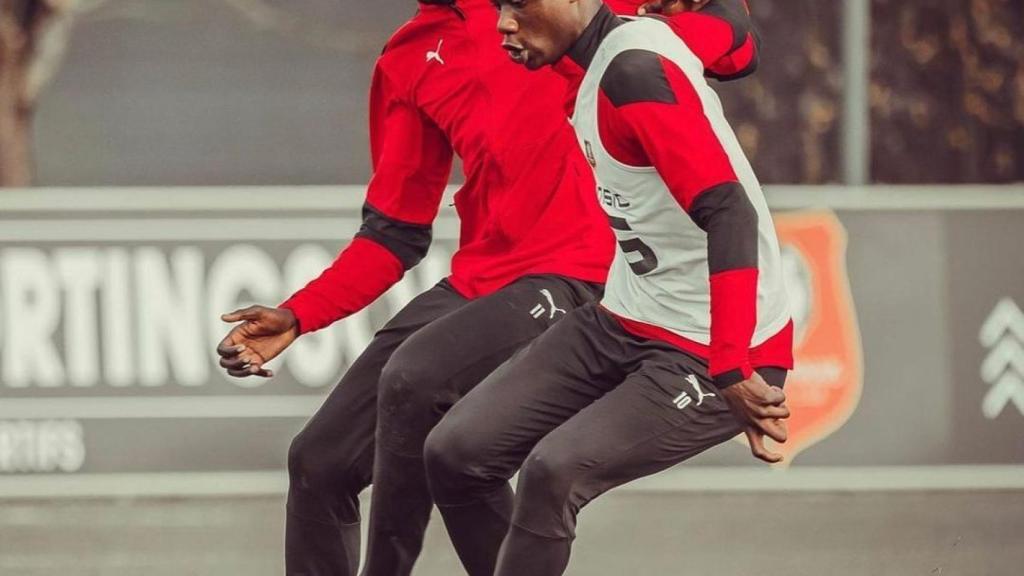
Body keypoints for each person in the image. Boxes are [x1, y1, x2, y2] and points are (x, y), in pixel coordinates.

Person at [216, 1, 760, 574]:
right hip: (481, 283)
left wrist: (682, 32)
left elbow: (738, 48)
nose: (508, 24)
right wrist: (300, 315)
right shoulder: (407, 56)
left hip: (584, 276)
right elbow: (392, 234)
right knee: (318, 461)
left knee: (420, 377)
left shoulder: (562, 8)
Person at [423, 1, 793, 574]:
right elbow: (737, 40)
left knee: (553, 471)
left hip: (718, 348)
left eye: (519, 3)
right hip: (623, 317)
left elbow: (730, 212)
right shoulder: (605, 49)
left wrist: (729, 369)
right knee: (457, 452)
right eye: (499, 5)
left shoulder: (633, 71)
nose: (502, 22)